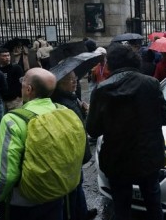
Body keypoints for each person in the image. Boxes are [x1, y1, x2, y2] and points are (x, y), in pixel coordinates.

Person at [87, 44, 166, 220]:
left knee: (121, 208)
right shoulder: (151, 84)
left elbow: (93, 130)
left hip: (117, 160)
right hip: (149, 157)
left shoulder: (101, 90)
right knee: (154, 205)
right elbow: (165, 118)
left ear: (111, 64)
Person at [0, 68, 71, 219]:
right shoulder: (63, 111)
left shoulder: (13, 120)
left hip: (23, 203)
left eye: (23, 81)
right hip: (56, 193)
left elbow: (8, 175)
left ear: (28, 89)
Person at [50, 71, 97, 220]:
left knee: (79, 183)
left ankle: (82, 212)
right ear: (59, 83)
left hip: (77, 150)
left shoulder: (71, 97)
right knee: (72, 188)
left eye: (75, 79)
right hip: (69, 153)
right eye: (70, 80)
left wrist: (83, 111)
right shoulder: (60, 102)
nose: (75, 82)